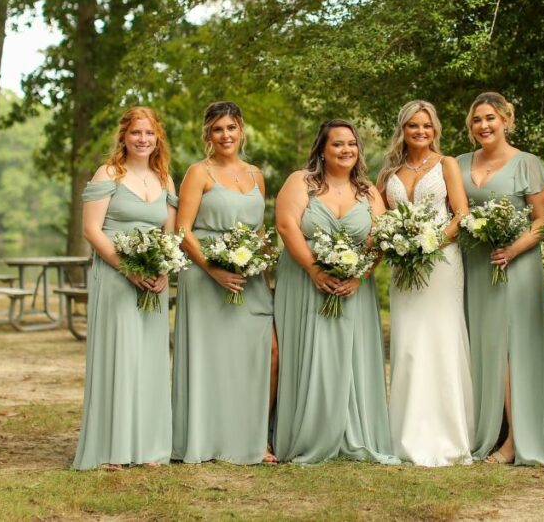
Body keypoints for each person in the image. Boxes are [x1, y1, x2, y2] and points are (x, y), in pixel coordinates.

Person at [272, 119, 397, 464]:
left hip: (354, 288)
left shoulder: (369, 191)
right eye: (338, 144)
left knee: (349, 355)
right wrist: (314, 268)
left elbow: (380, 240)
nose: (346, 150)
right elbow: (285, 225)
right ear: (322, 150)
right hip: (305, 281)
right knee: (310, 353)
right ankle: (308, 432)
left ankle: (352, 432)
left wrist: (360, 274)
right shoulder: (302, 182)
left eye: (351, 144)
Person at [172, 101, 278, 464]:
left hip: (251, 279)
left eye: (231, 127)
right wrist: (213, 269)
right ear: (208, 134)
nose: (226, 135)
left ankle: (254, 439)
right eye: (218, 129)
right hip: (205, 278)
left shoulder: (256, 175)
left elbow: (261, 233)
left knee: (265, 354)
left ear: (241, 130)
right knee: (212, 358)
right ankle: (208, 439)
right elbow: (183, 231)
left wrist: (265, 272)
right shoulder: (197, 173)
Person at [457, 92, 544, 466]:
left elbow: (543, 220)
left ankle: (517, 440)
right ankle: (492, 428)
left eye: (490, 118)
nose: (483, 125)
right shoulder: (459, 162)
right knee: (484, 347)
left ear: (506, 121)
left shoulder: (527, 164)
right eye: (477, 120)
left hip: (515, 266)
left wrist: (513, 250)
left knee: (514, 350)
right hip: (474, 266)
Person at [73, 106, 176, 470]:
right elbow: (92, 230)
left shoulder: (164, 179)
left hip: (153, 282)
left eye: (149, 133)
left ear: (157, 137)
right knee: (120, 355)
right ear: (124, 136)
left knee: (150, 359)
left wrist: (164, 270)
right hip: (116, 276)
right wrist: (128, 269)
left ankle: (148, 447)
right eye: (136, 133)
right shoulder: (109, 174)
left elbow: (170, 235)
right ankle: (111, 449)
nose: (143, 139)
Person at [378, 100, 474, 466]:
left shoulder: (446, 164)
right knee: (409, 343)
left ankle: (450, 435)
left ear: (435, 130)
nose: (420, 132)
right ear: (402, 130)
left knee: (442, 340)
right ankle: (407, 433)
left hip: (443, 262)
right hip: (405, 268)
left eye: (427, 126)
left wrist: (429, 242)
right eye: (413, 126)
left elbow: (460, 214)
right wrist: (398, 245)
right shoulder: (388, 173)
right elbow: (380, 218)